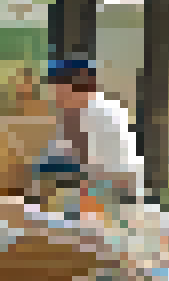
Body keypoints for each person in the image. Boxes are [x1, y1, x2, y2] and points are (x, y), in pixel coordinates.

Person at [41, 57, 142, 208]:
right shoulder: (72, 113)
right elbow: (59, 156)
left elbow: (108, 171)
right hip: (93, 190)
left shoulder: (103, 113)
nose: (56, 98)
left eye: (59, 91)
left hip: (118, 195)